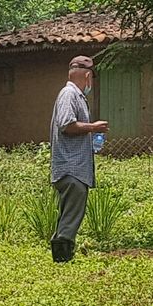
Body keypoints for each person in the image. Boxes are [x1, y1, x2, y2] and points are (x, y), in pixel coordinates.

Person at [48, 55, 108, 263]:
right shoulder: (69, 94)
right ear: (88, 76)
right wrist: (93, 127)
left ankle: (62, 255)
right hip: (71, 168)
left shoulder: (77, 97)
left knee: (69, 215)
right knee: (71, 217)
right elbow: (67, 124)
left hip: (75, 168)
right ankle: (63, 258)